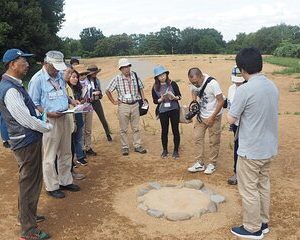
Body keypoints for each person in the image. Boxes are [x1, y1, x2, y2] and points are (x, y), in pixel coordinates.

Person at [0, 48, 52, 239]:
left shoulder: (11, 85)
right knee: (29, 183)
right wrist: (45, 126)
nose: (28, 64)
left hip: (24, 140)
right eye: (24, 61)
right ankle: (28, 229)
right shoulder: (11, 89)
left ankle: (26, 216)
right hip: (26, 141)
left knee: (28, 181)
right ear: (12, 64)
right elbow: (25, 119)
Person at [227, 48, 279, 239]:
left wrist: (231, 107)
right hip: (269, 148)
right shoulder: (272, 86)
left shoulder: (245, 89)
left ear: (242, 69)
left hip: (251, 149)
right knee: (263, 185)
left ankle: (252, 228)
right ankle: (263, 222)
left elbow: (230, 119)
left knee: (249, 189)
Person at [29, 50, 80, 199]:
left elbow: (63, 93)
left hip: (64, 116)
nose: (57, 70)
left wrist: (71, 101)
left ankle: (65, 180)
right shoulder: (37, 80)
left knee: (66, 151)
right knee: (50, 155)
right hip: (49, 121)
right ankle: (52, 186)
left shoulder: (59, 76)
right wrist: (48, 113)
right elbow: (33, 104)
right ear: (46, 63)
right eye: (54, 67)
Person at [106, 58, 147, 156]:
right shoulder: (117, 79)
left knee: (136, 127)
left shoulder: (135, 76)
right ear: (120, 69)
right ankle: (125, 147)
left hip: (135, 104)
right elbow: (107, 90)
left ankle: (137, 145)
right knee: (123, 129)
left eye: (128, 67)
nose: (127, 69)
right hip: (123, 105)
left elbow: (141, 88)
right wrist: (113, 101)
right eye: (124, 67)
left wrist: (143, 99)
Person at [187, 67, 224, 174]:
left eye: (196, 82)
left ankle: (212, 164)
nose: (195, 84)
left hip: (214, 116)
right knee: (197, 138)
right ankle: (199, 163)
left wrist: (212, 117)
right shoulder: (194, 84)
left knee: (214, 141)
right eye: (192, 82)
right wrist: (194, 101)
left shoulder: (213, 84)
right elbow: (194, 90)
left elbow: (221, 101)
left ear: (201, 76)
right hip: (201, 116)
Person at [151, 65, 181, 159]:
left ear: (166, 74)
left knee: (175, 130)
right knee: (164, 131)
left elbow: (179, 96)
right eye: (159, 76)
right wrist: (161, 99)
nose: (162, 77)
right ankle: (165, 150)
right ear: (157, 77)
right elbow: (155, 101)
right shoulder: (155, 87)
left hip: (174, 109)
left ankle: (176, 150)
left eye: (163, 74)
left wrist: (175, 97)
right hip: (163, 111)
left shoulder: (173, 84)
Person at [64, 66, 87, 178]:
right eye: (71, 75)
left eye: (76, 77)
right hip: (68, 119)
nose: (75, 78)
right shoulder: (64, 87)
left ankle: (72, 167)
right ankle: (69, 169)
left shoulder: (76, 88)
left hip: (75, 117)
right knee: (69, 145)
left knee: (75, 141)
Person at [227, 66, 247, 185]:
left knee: (248, 150)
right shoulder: (231, 88)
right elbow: (229, 104)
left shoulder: (248, 89)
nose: (237, 83)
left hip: (247, 126)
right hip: (235, 124)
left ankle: (248, 175)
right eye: (235, 81)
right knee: (237, 149)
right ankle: (236, 173)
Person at [87, 64, 112, 142]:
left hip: (96, 101)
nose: (95, 74)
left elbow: (100, 91)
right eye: (93, 73)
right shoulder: (85, 81)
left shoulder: (97, 80)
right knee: (87, 121)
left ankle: (108, 134)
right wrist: (93, 93)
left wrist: (99, 93)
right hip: (88, 102)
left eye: (96, 72)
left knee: (102, 118)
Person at [76, 64, 98, 156]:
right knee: (80, 129)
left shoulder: (89, 82)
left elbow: (92, 94)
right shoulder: (75, 84)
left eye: (85, 74)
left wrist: (95, 95)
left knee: (88, 129)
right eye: (81, 75)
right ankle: (80, 150)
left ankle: (87, 147)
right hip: (79, 109)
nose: (83, 76)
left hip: (88, 107)